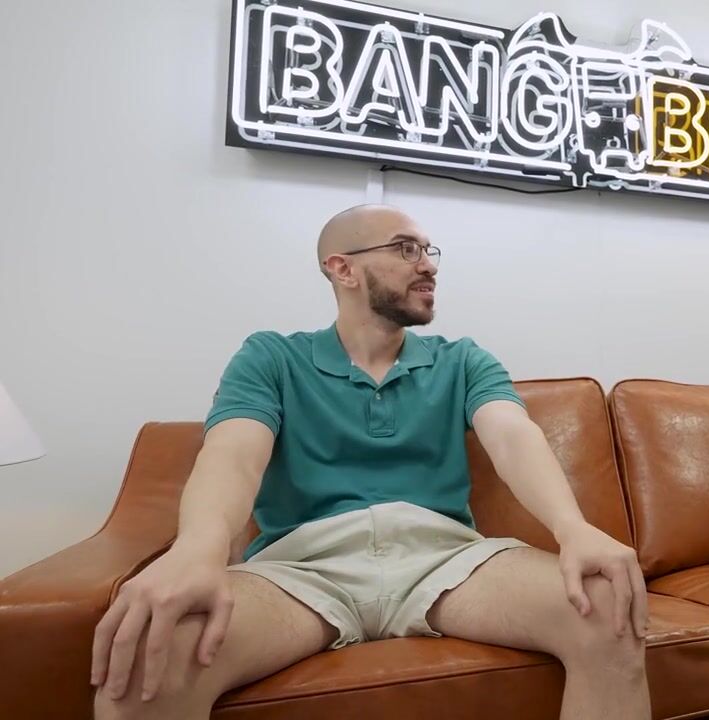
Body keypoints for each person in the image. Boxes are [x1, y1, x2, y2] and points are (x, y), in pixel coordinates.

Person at [91, 205, 651, 720]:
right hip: (301, 570)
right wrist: (198, 549)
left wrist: (572, 528)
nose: (428, 265)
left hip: (445, 562)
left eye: (429, 251)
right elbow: (233, 454)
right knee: (155, 650)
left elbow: (512, 437)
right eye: (406, 249)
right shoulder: (271, 357)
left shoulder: (463, 360)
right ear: (343, 269)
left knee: (607, 606)